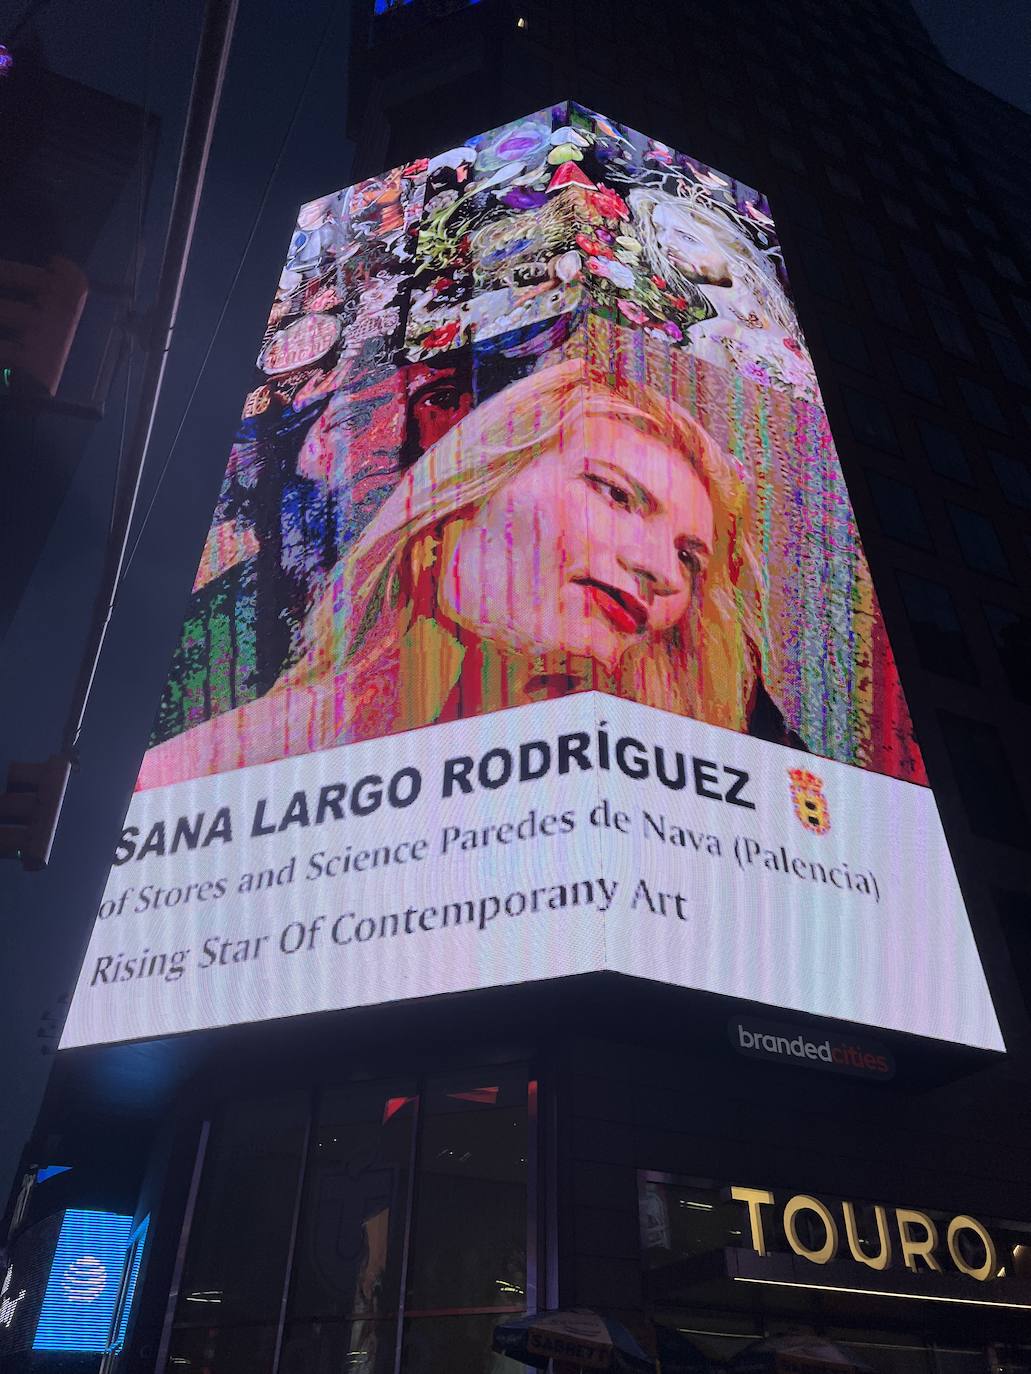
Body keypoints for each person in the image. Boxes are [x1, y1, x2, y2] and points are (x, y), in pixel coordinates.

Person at [136, 360, 791, 789]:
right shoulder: (213, 767)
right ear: (460, 501)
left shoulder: (691, 776)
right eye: (617, 496)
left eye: (687, 556)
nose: (658, 572)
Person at [629, 185, 819, 401]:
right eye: (660, 229)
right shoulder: (706, 336)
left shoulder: (792, 327)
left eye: (687, 237)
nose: (665, 243)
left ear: (736, 258)